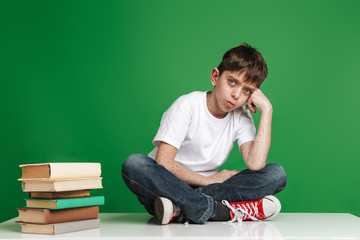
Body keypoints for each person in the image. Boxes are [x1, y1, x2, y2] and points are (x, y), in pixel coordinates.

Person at [122, 43, 287, 225]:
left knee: (275, 174)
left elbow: (255, 164)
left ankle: (182, 209)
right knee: (134, 164)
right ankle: (220, 211)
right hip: (167, 184)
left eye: (246, 90)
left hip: (203, 191)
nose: (236, 94)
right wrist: (208, 180)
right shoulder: (187, 106)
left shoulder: (241, 116)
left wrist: (267, 110)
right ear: (215, 76)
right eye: (232, 82)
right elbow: (164, 162)